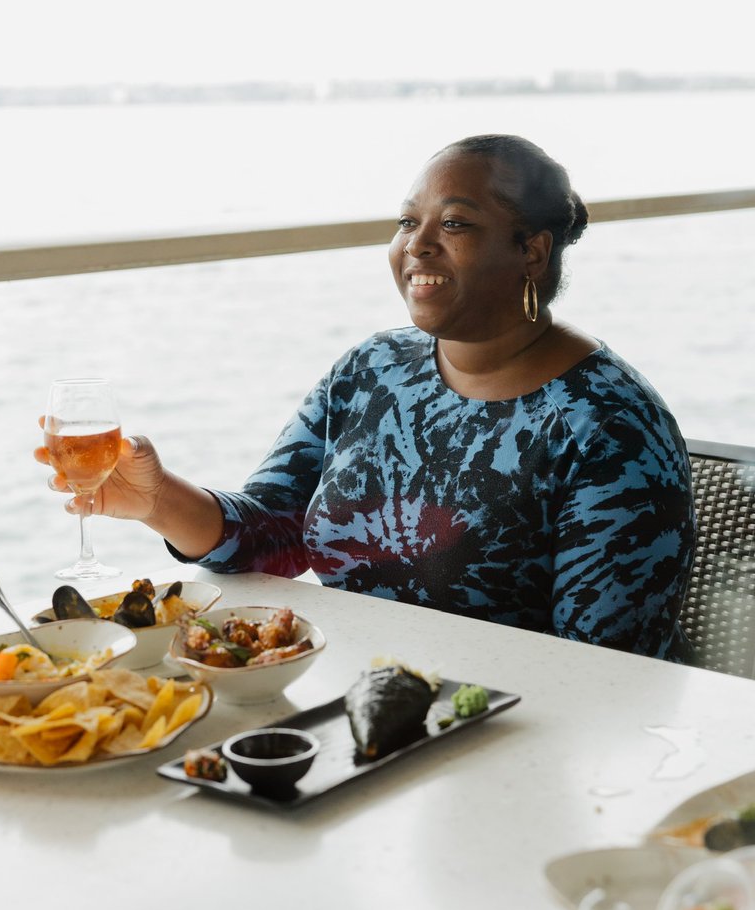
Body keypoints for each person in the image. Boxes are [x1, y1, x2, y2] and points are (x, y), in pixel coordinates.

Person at [36, 134, 695, 661]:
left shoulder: (607, 427)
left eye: (456, 223)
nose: (418, 244)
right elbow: (272, 536)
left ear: (532, 250)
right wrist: (158, 500)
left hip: (504, 742)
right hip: (348, 697)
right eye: (408, 221)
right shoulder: (373, 368)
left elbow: (607, 672)